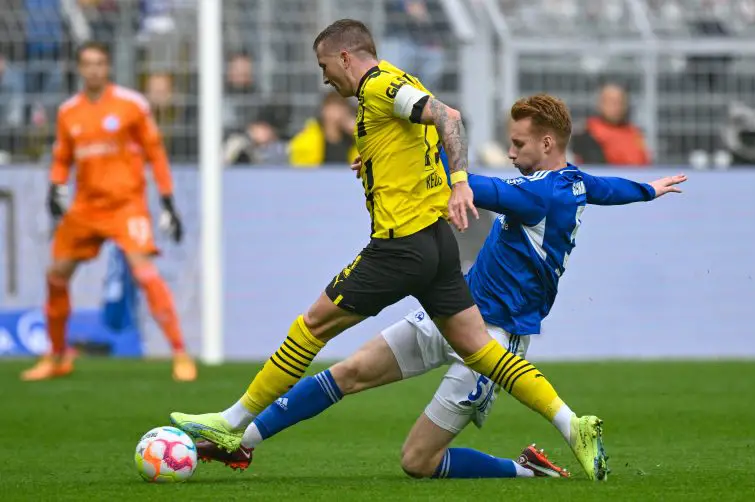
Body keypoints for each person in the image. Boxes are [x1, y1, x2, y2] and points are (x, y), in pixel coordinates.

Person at [171, 20, 606, 481]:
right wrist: (377, 155)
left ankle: (231, 422)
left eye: (324, 66)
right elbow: (420, 134)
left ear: (344, 58)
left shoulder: (379, 85)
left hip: (402, 247)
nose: (324, 78)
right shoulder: (399, 83)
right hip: (437, 247)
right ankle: (571, 423)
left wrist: (459, 181)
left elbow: (448, 117)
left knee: (313, 325)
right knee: (442, 357)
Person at [193, 95, 687, 479]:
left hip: (497, 336)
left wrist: (398, 171)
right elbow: (609, 189)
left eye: (518, 144)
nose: (511, 151)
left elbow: (474, 186)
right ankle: (243, 441)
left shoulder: (535, 193)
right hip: (454, 308)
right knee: (349, 372)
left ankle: (527, 470)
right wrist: (649, 189)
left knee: (417, 461)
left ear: (548, 145)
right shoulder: (574, 182)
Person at [20, 41, 197, 382]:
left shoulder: (131, 105)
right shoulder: (68, 111)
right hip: (85, 208)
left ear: (108, 67)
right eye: (88, 63)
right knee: (55, 275)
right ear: (79, 68)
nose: (94, 69)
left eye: (100, 63)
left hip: (126, 205)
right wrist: (56, 186)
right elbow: (62, 158)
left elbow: (155, 153)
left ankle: (180, 353)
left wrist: (167, 200)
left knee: (145, 273)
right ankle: (56, 357)